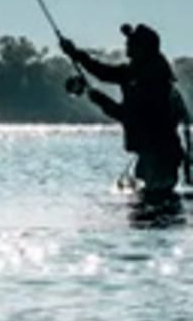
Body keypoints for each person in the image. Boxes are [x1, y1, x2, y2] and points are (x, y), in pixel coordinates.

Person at [61, 23, 192, 196]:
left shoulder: (151, 81)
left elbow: (128, 115)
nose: (127, 45)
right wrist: (75, 53)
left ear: (143, 49)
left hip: (158, 159)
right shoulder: (139, 74)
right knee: (151, 206)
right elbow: (102, 72)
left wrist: (100, 99)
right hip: (156, 156)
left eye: (132, 42)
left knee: (151, 205)